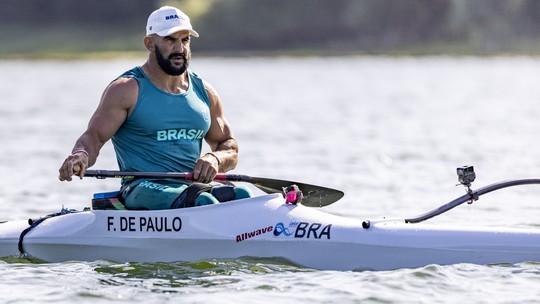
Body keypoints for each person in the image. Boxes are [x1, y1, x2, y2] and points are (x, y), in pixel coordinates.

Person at [58, 6, 248, 209]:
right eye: (170, 39)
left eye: (185, 40)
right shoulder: (126, 90)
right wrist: (80, 156)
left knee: (242, 195)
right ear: (149, 43)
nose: (180, 49)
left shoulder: (205, 92)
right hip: (141, 189)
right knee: (204, 201)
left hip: (192, 187)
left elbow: (229, 146)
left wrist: (216, 158)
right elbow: (93, 138)